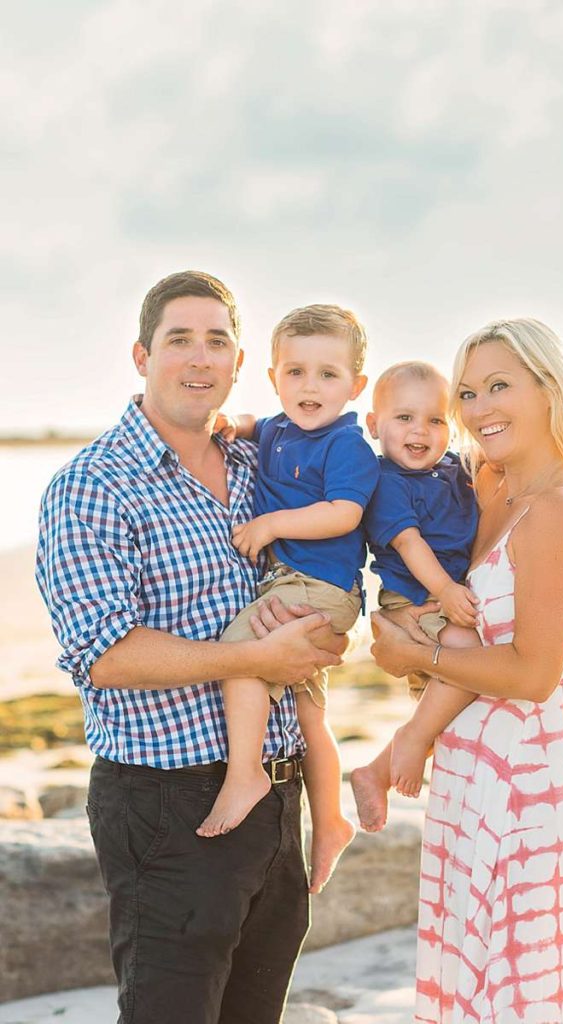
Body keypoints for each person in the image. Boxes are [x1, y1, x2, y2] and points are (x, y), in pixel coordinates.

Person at [35, 271, 347, 1024]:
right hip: (169, 806)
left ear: (240, 364)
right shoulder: (93, 486)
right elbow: (103, 653)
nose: (198, 358)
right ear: (141, 355)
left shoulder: (260, 468)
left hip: (278, 794)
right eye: (180, 339)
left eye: (217, 341)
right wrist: (253, 661)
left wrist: (323, 636)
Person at [369, 318, 563, 1023]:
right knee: (466, 980)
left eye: (499, 387)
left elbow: (533, 673)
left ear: (548, 389)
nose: (477, 410)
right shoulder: (485, 485)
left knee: (521, 989)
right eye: (468, 393)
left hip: (522, 783)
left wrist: (411, 654)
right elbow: (379, 468)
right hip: (463, 773)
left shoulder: (562, 511)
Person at [196, 304, 379, 898]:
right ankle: (329, 821)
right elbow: (253, 427)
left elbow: (344, 513)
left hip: (320, 587)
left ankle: (244, 772)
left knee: (241, 650)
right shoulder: (276, 428)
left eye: (328, 374)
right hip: (296, 586)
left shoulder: (347, 443)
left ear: (356, 385)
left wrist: (272, 525)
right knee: (308, 714)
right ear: (274, 377)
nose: (310, 386)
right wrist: (232, 423)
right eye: (295, 372)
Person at [350, 361, 480, 833]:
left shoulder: (455, 470)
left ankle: (376, 772)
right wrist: (445, 590)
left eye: (435, 419)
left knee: (444, 704)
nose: (419, 431)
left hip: (443, 602)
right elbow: (409, 543)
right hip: (413, 602)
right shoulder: (386, 481)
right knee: (466, 661)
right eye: (404, 418)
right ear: (374, 426)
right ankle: (405, 743)